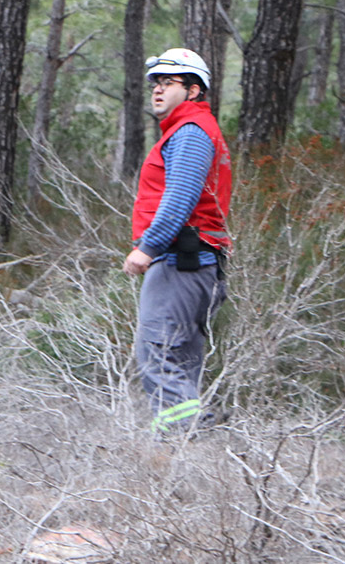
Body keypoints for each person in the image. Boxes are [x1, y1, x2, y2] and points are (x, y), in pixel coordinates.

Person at [123, 48, 232, 436]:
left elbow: (181, 197)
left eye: (169, 83)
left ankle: (186, 438)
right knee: (180, 359)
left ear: (193, 90)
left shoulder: (190, 134)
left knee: (157, 353)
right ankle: (194, 454)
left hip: (182, 262)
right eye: (156, 83)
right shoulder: (188, 132)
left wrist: (147, 248)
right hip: (196, 262)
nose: (157, 90)